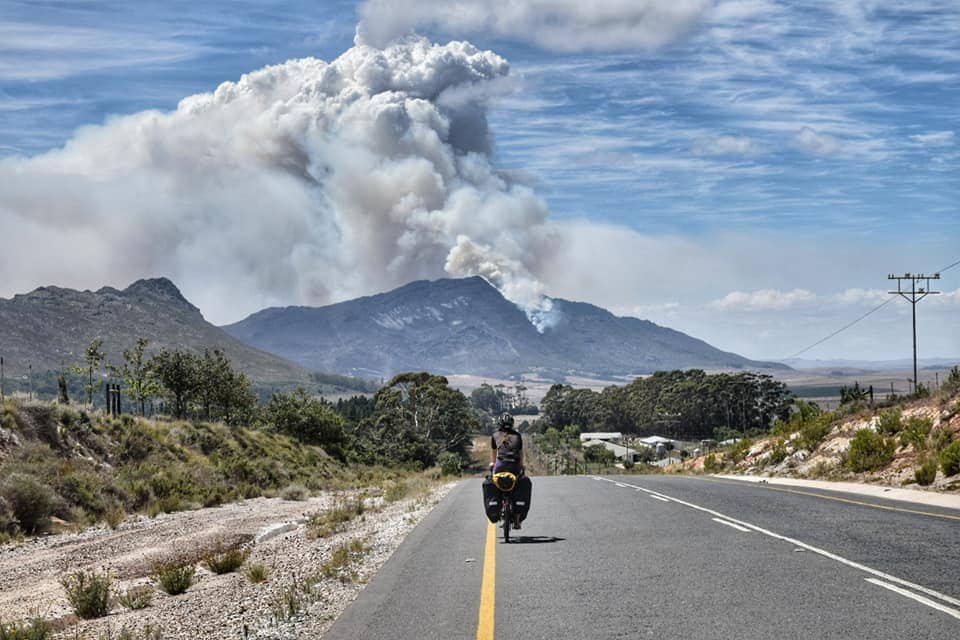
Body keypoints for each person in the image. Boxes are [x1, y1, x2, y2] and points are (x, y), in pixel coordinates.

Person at [489, 413, 529, 529]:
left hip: (500, 465)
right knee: (518, 486)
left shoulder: (495, 435)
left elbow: (494, 453)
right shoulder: (517, 435)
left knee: (495, 481)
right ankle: (517, 521)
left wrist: (493, 463)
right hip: (515, 466)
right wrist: (522, 465)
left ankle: (499, 505)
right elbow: (521, 453)